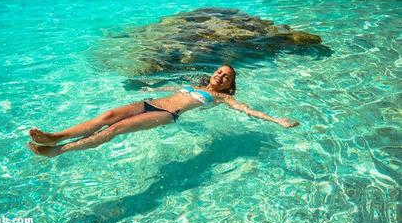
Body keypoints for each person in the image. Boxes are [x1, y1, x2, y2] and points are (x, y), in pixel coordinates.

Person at [28, 65, 299, 158]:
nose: (220, 76)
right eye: (219, 71)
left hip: (167, 115)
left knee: (115, 129)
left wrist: (276, 120)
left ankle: (59, 151)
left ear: (230, 85)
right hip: (152, 102)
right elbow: (170, 86)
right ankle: (54, 136)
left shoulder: (221, 98)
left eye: (226, 76)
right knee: (108, 116)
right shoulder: (195, 83)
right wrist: (147, 83)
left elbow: (246, 110)